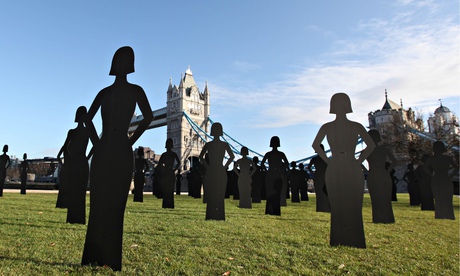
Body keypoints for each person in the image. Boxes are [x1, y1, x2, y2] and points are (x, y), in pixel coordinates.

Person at [81, 46, 153, 271]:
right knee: (115, 206)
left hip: (104, 151)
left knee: (99, 204)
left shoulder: (104, 93)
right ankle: (111, 259)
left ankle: (92, 255)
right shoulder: (136, 91)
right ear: (131, 65)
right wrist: (129, 140)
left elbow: (86, 118)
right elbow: (148, 117)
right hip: (122, 149)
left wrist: (97, 142)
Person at [312, 93, 375, 248]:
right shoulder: (356, 126)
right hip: (351, 165)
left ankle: (338, 238)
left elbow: (315, 146)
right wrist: (358, 161)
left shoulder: (327, 127)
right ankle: (356, 239)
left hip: (334, 166)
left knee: (337, 205)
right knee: (353, 205)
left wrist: (329, 161)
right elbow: (371, 145)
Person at [58, 106, 90, 224]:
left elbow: (65, 147)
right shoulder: (88, 131)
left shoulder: (72, 132)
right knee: (80, 191)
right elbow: (96, 145)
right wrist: (86, 157)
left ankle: (73, 217)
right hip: (82, 161)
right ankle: (79, 218)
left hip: (75, 161)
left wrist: (69, 158)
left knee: (75, 189)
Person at [199, 122, 235, 220]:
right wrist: (225, 166)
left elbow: (201, 157)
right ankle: (219, 215)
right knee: (219, 194)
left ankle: (211, 215)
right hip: (220, 169)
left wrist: (207, 166)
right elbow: (232, 157)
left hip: (211, 170)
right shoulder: (224, 144)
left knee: (211, 193)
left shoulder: (208, 145)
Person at [366, 129, 396, 223]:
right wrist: (387, 171)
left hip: (372, 175)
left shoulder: (365, 151)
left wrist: (366, 170)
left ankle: (377, 218)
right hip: (383, 174)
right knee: (386, 199)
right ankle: (388, 218)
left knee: (375, 199)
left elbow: (358, 162)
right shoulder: (384, 150)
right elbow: (394, 161)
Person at [424, 141, 458, 220]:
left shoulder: (431, 159)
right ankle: (449, 215)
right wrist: (451, 176)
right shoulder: (447, 158)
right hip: (445, 178)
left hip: (437, 179)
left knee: (438, 198)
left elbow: (425, 168)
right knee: (447, 199)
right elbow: (456, 167)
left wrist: (431, 175)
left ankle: (440, 215)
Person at [261, 136, 289, 216]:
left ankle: (269, 211)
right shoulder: (281, 154)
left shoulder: (268, 154)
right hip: (278, 174)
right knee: (277, 194)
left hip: (270, 174)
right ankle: (276, 211)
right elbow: (286, 163)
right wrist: (282, 170)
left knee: (269, 193)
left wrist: (266, 171)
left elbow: (262, 164)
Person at [157, 138, 180, 208]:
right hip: (170, 172)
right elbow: (179, 163)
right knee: (170, 189)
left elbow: (159, 164)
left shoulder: (164, 155)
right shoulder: (174, 154)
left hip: (166, 172)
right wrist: (174, 170)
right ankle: (170, 204)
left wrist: (163, 169)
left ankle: (165, 204)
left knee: (166, 189)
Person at [308, 144, 330, 212]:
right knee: (326, 192)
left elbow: (309, 167)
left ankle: (319, 207)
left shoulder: (314, 159)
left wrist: (313, 173)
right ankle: (326, 207)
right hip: (325, 176)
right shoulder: (326, 159)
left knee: (318, 192)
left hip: (317, 176)